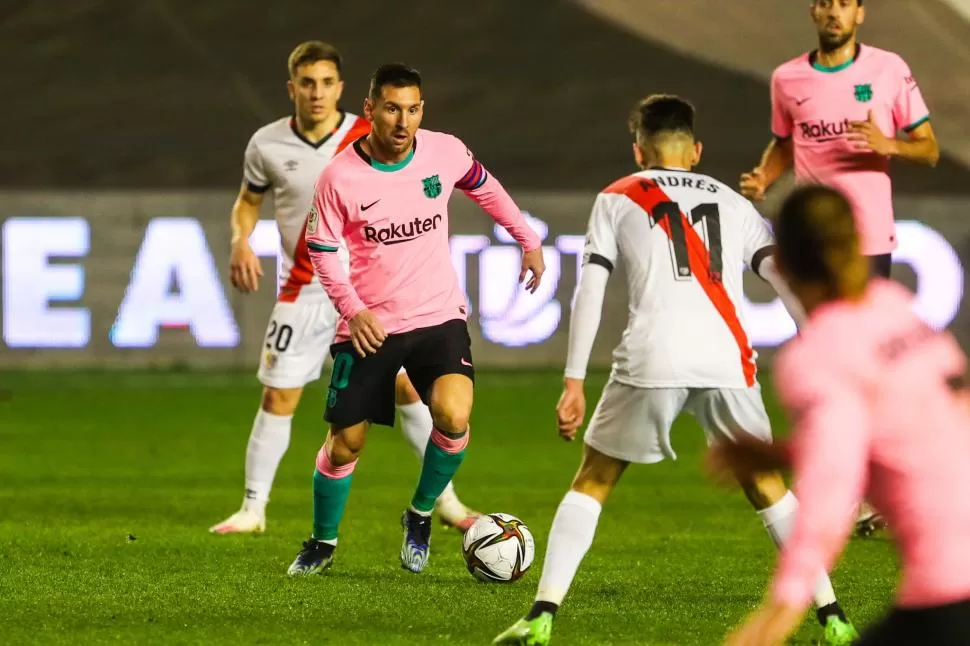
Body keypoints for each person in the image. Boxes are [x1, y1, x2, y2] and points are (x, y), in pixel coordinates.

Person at [493, 95, 857, 646]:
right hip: (726, 359)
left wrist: (573, 380)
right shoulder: (734, 203)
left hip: (652, 356)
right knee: (768, 486)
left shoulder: (616, 197)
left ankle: (541, 615)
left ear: (639, 150)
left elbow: (590, 289)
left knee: (593, 480)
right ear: (697, 151)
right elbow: (783, 277)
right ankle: (834, 619)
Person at [209, 43, 480, 536]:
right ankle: (253, 509)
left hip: (369, 296)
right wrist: (239, 240)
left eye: (327, 82)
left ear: (342, 87)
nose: (318, 92)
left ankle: (447, 501)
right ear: (293, 87)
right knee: (278, 397)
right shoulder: (266, 144)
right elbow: (247, 201)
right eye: (307, 83)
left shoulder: (370, 132)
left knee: (408, 390)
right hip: (302, 289)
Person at [287, 63, 545, 576]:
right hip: (370, 325)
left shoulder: (444, 150)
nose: (403, 121)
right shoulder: (340, 176)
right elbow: (321, 249)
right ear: (369, 110)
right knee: (346, 445)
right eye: (391, 109)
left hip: (438, 314)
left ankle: (421, 513)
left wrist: (527, 238)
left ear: (421, 109)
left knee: (454, 415)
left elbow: (486, 188)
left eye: (412, 109)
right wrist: (353, 311)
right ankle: (321, 542)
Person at [712, 184, 970, 646]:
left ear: (783, 265)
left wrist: (777, 614)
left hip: (952, 591)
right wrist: (786, 452)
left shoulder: (818, 355)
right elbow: (912, 425)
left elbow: (830, 499)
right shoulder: (895, 307)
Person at [739, 0, 939, 536]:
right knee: (828, 365)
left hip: (865, 240)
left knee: (861, 367)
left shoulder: (888, 70)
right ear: (813, 13)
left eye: (843, 4)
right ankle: (853, 487)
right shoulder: (789, 78)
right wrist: (765, 177)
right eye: (825, 3)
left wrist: (887, 143)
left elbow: (929, 148)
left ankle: (868, 486)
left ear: (860, 14)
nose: (833, 13)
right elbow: (787, 142)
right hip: (808, 243)